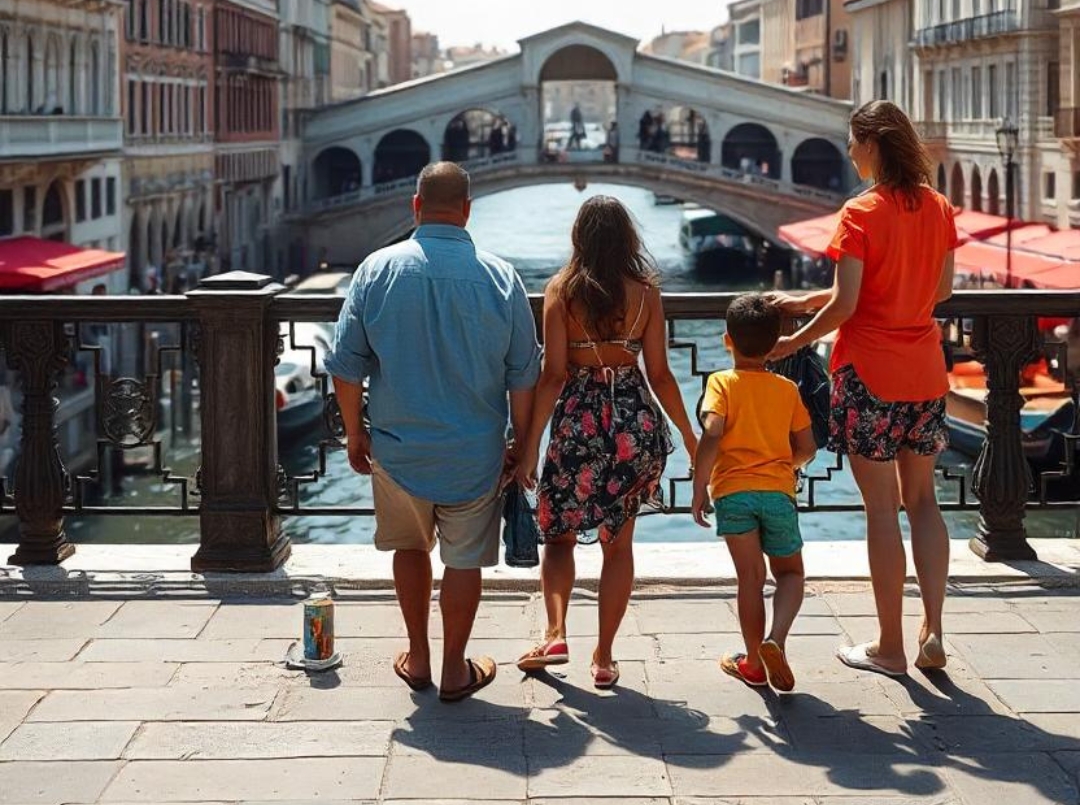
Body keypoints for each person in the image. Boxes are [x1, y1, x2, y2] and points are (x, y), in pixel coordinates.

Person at [327, 161, 541, 702]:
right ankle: (453, 669)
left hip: (398, 450)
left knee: (409, 550)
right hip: (476, 453)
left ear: (415, 206)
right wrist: (522, 442)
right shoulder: (501, 275)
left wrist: (355, 433)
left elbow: (346, 367)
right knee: (464, 561)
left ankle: (417, 656)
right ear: (468, 211)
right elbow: (523, 373)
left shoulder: (376, 269)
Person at [769, 100, 957, 677]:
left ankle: (889, 647)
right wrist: (809, 300)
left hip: (870, 376)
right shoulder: (938, 206)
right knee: (924, 503)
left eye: (853, 141)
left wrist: (789, 341)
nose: (849, 151)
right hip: (925, 373)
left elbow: (848, 304)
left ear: (873, 144)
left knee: (882, 511)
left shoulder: (859, 212)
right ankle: (934, 630)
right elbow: (942, 292)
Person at [515, 196, 698, 688]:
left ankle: (555, 632)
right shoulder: (646, 293)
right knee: (619, 548)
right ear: (627, 238)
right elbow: (658, 373)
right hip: (633, 422)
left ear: (580, 238)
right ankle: (604, 657)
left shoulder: (561, 291)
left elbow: (553, 375)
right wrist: (688, 433)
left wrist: (530, 443)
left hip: (579, 422)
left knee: (558, 538)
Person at [691, 294, 816, 691]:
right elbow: (808, 448)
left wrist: (699, 484)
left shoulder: (721, 383)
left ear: (728, 340)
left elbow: (712, 432)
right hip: (777, 492)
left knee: (750, 578)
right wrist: (787, 468)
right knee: (791, 573)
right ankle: (775, 640)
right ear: (777, 340)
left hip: (733, 493)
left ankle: (753, 665)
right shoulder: (787, 389)